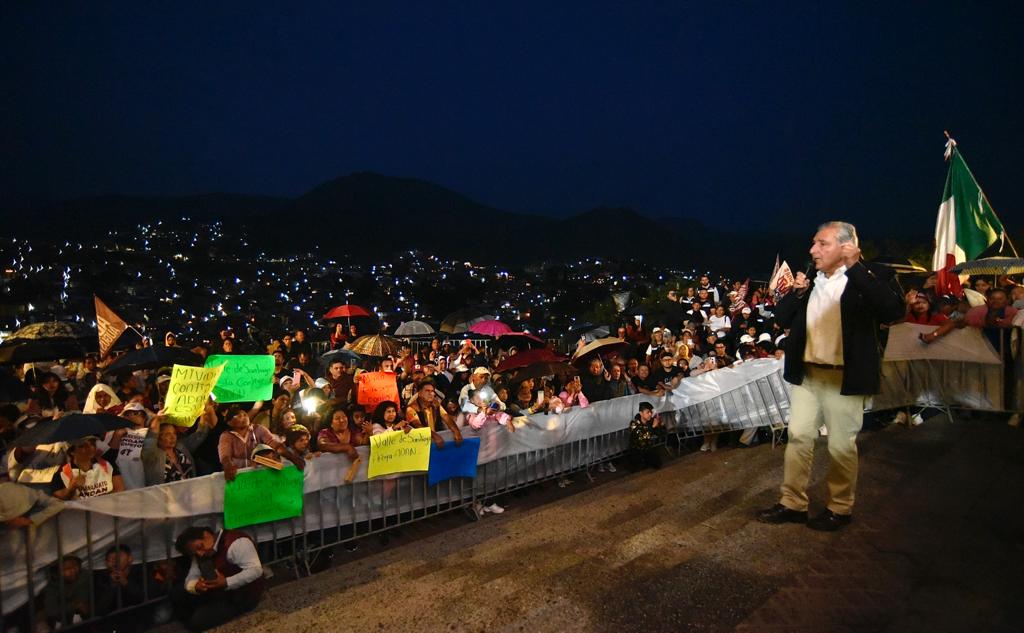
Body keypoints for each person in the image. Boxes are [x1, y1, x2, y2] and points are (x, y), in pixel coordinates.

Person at [757, 221, 903, 531]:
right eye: (813, 243)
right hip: (808, 376)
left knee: (840, 445)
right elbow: (781, 318)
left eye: (822, 244)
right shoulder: (809, 278)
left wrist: (857, 268)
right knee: (797, 438)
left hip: (844, 378)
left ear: (846, 246)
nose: (813, 250)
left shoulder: (874, 275)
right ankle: (792, 503)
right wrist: (797, 295)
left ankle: (840, 507)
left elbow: (893, 311)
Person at [175, 526, 264, 632]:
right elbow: (193, 574)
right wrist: (195, 586)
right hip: (218, 591)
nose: (200, 553)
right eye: (195, 553)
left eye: (200, 546)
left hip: (241, 595)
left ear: (206, 535)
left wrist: (226, 582)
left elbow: (255, 570)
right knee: (176, 593)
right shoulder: (200, 553)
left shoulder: (236, 543)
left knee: (195, 623)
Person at [217, 404, 305, 481]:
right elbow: (225, 457)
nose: (244, 417)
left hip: (260, 475)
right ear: (230, 422)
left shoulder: (258, 429)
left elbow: (275, 444)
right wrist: (229, 467)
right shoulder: (226, 436)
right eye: (239, 416)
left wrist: (293, 458)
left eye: (245, 414)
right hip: (240, 479)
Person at [628, 401, 665, 470]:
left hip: (648, 449)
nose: (650, 414)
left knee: (658, 463)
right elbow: (641, 438)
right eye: (647, 412)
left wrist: (661, 425)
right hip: (637, 451)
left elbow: (661, 434)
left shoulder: (650, 421)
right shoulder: (634, 423)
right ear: (641, 413)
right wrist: (653, 427)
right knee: (638, 469)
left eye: (651, 412)